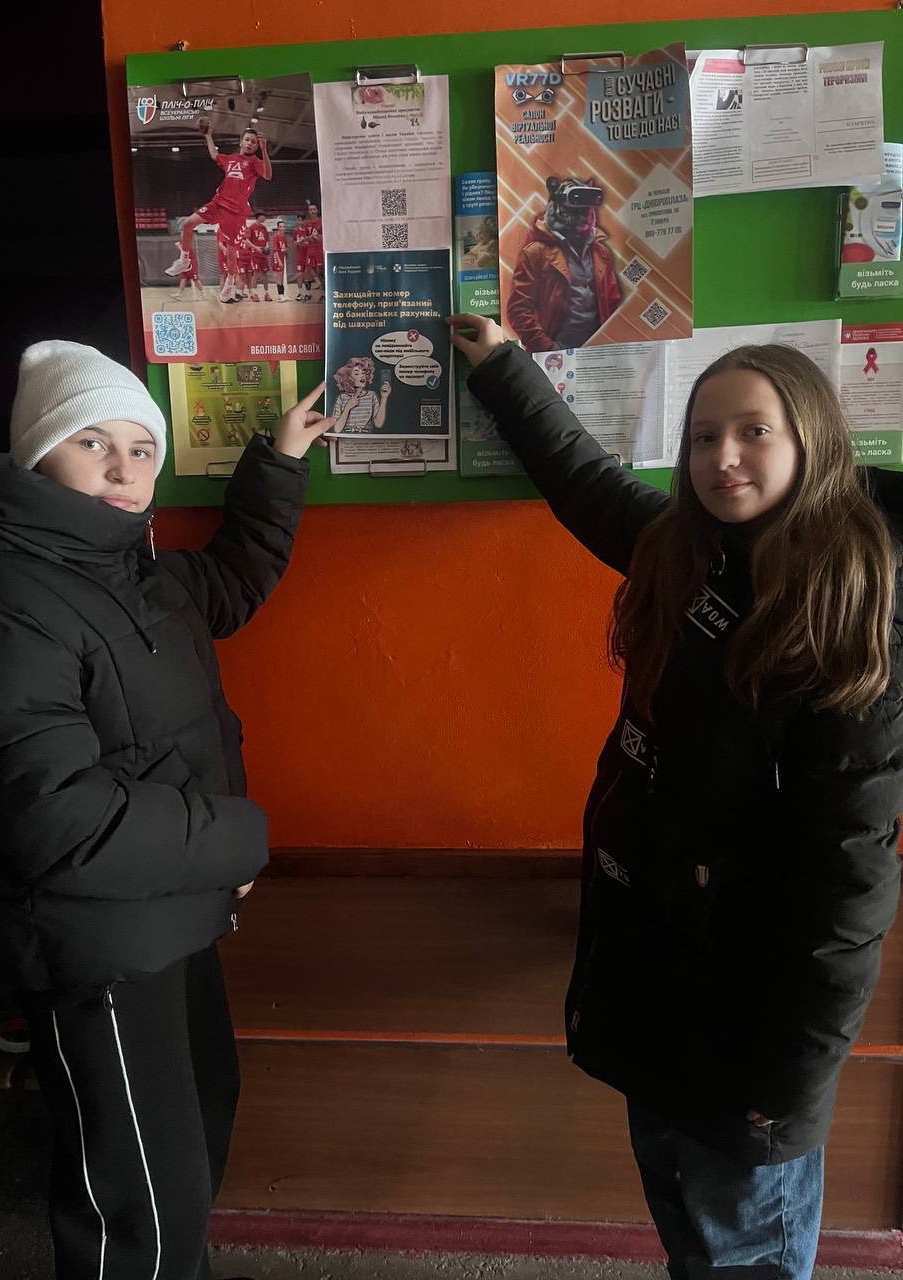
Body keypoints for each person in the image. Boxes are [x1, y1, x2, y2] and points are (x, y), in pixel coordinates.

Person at [448, 313, 903, 1280]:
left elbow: (849, 883)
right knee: (690, 1226)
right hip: (663, 985)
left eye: (753, 432)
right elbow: (588, 485)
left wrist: (790, 1088)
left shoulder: (844, 611)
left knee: (743, 1251)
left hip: (753, 1036)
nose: (721, 458)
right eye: (703, 436)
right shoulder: (686, 551)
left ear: (813, 441)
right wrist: (502, 370)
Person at [0, 341, 332, 1280]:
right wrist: (240, 839)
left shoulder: (134, 572)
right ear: (35, 453)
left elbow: (231, 581)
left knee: (196, 1131)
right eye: (93, 443)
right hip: (98, 945)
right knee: (140, 1205)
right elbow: (55, 819)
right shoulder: (3, 599)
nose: (124, 470)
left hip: (174, 910)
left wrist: (278, 461)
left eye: (142, 448)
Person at [507, 177, 621, 352]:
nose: (582, 214)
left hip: (597, 350)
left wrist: (610, 342)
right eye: (575, 206)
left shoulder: (601, 253)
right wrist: (548, 348)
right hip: (557, 350)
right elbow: (519, 310)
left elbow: (613, 304)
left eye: (586, 208)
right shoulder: (535, 253)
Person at [165, 122, 272, 304]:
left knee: (231, 252)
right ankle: (184, 260)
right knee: (188, 224)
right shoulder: (231, 159)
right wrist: (208, 135)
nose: (250, 143)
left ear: (256, 146)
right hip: (218, 203)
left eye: (253, 142)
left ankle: (230, 283)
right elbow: (214, 154)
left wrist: (264, 150)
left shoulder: (255, 162)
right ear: (241, 142)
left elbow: (268, 175)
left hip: (235, 212)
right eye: (247, 140)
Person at [329, 356, 391, 432]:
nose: (362, 376)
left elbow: (378, 424)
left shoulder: (371, 396)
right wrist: (347, 408)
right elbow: (337, 429)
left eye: (364, 373)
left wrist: (384, 398)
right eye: (356, 373)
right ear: (348, 377)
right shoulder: (341, 398)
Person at [271, 218, 288, 301]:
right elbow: (275, 250)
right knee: (279, 277)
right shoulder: (276, 236)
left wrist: (285, 252)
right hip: (277, 258)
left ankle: (283, 294)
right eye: (281, 227)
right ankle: (280, 295)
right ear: (278, 228)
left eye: (284, 226)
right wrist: (279, 261)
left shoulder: (284, 236)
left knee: (282, 277)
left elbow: (285, 247)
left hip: (282, 257)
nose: (282, 228)